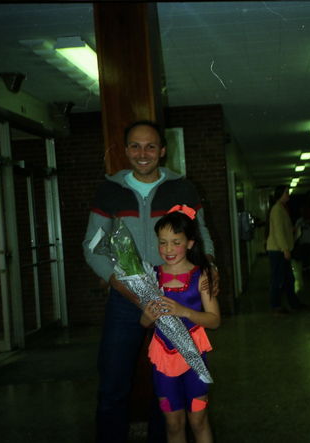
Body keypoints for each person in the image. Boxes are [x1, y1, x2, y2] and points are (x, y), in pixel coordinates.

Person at [82, 120, 217, 442]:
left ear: (163, 150)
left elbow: (202, 235)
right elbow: (92, 245)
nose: (143, 154)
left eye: (151, 146)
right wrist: (117, 282)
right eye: (135, 146)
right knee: (113, 382)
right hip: (125, 301)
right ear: (125, 150)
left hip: (175, 299)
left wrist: (210, 268)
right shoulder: (110, 191)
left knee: (168, 379)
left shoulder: (181, 189)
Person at [140, 207, 220, 443]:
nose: (168, 249)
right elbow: (144, 323)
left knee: (198, 420)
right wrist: (148, 316)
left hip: (195, 356)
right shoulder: (151, 277)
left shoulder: (201, 275)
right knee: (173, 424)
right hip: (163, 358)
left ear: (190, 243)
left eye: (176, 242)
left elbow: (214, 320)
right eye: (163, 243)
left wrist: (184, 311)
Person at [266, 185, 309, 314]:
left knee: (288, 279)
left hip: (280, 249)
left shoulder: (282, 208)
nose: (288, 195)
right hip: (277, 250)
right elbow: (278, 232)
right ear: (280, 194)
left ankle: (294, 304)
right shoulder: (277, 210)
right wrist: (285, 249)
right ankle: (276, 306)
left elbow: (282, 229)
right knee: (278, 279)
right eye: (286, 193)